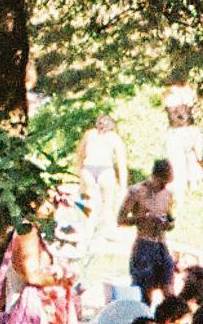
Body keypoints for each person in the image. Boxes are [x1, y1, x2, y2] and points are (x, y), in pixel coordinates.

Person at [120, 160, 177, 300]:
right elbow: (121, 220)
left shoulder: (168, 194)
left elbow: (171, 220)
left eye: (167, 183)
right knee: (145, 291)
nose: (164, 186)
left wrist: (168, 223)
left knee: (168, 289)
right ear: (155, 177)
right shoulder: (136, 191)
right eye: (162, 182)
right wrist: (144, 218)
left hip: (161, 245)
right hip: (144, 244)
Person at [75, 115, 127, 237]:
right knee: (108, 205)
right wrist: (123, 186)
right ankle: (109, 231)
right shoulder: (115, 138)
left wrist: (79, 172)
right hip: (105, 170)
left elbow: (79, 154)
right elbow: (121, 163)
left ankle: (87, 230)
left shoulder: (89, 134)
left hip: (88, 168)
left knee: (88, 202)